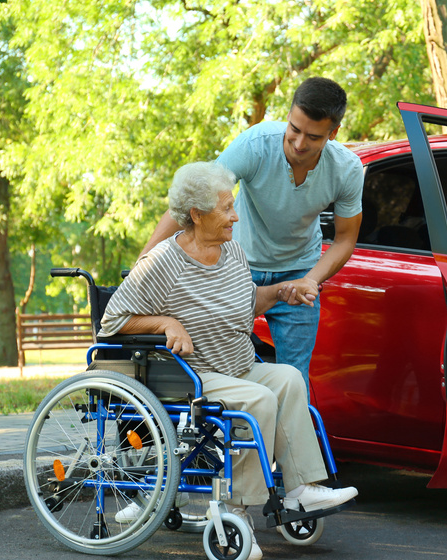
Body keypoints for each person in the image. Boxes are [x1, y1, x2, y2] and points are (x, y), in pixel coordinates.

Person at [101, 162, 358, 560]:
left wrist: (281, 292)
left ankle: (301, 489)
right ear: (197, 215)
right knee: (259, 398)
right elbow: (112, 322)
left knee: (289, 378)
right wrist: (166, 322)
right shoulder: (161, 263)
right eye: (226, 209)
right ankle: (236, 509)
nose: (236, 217)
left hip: (238, 364)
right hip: (195, 376)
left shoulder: (231, 251)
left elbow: (245, 301)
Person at [140, 77, 364, 397]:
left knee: (294, 378)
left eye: (313, 137)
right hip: (236, 266)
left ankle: (281, 446)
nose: (299, 143)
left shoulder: (347, 169)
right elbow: (195, 202)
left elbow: (344, 239)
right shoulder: (257, 144)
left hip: (298, 269)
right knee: (219, 367)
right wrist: (145, 262)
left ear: (333, 133)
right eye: (294, 129)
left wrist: (311, 280)